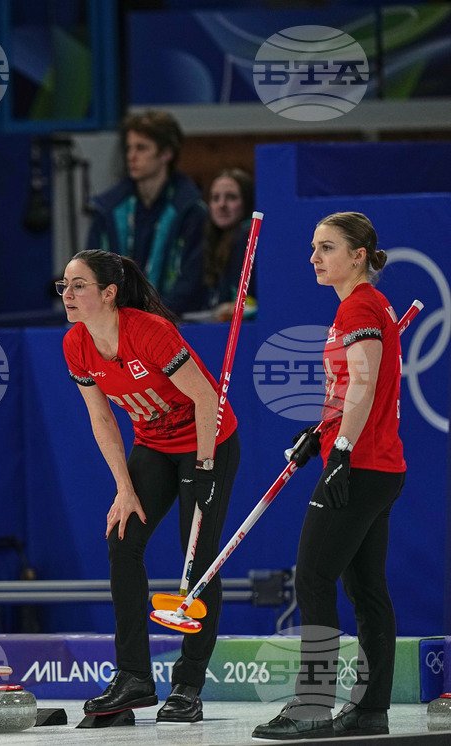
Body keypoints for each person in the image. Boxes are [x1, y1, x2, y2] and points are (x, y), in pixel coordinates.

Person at [59, 249, 240, 723]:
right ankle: (135, 677)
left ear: (109, 293)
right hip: (155, 444)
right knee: (123, 539)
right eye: (64, 286)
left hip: (207, 439)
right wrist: (124, 487)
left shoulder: (149, 331)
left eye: (79, 286)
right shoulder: (75, 344)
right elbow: (101, 417)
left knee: (198, 558)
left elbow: (205, 396)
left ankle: (188, 685)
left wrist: (204, 466)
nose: (68, 295)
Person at [253, 212, 404, 740]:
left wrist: (339, 449)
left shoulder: (361, 305)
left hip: (359, 466)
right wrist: (321, 432)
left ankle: (313, 706)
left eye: (327, 248)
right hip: (374, 464)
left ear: (358, 256)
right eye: (313, 247)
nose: (314, 257)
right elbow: (352, 392)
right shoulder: (362, 307)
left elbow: (362, 383)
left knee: (314, 578)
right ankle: (370, 710)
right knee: (366, 591)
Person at [85, 110, 208, 316]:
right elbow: (90, 271)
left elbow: (191, 280)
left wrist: (154, 315)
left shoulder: (192, 211)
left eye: (141, 148)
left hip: (172, 326)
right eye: (129, 148)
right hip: (116, 325)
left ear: (166, 153)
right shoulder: (108, 210)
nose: (131, 156)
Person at [202, 168, 256, 322]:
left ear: (247, 201)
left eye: (231, 197)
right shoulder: (210, 241)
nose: (222, 204)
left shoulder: (247, 237)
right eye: (215, 198)